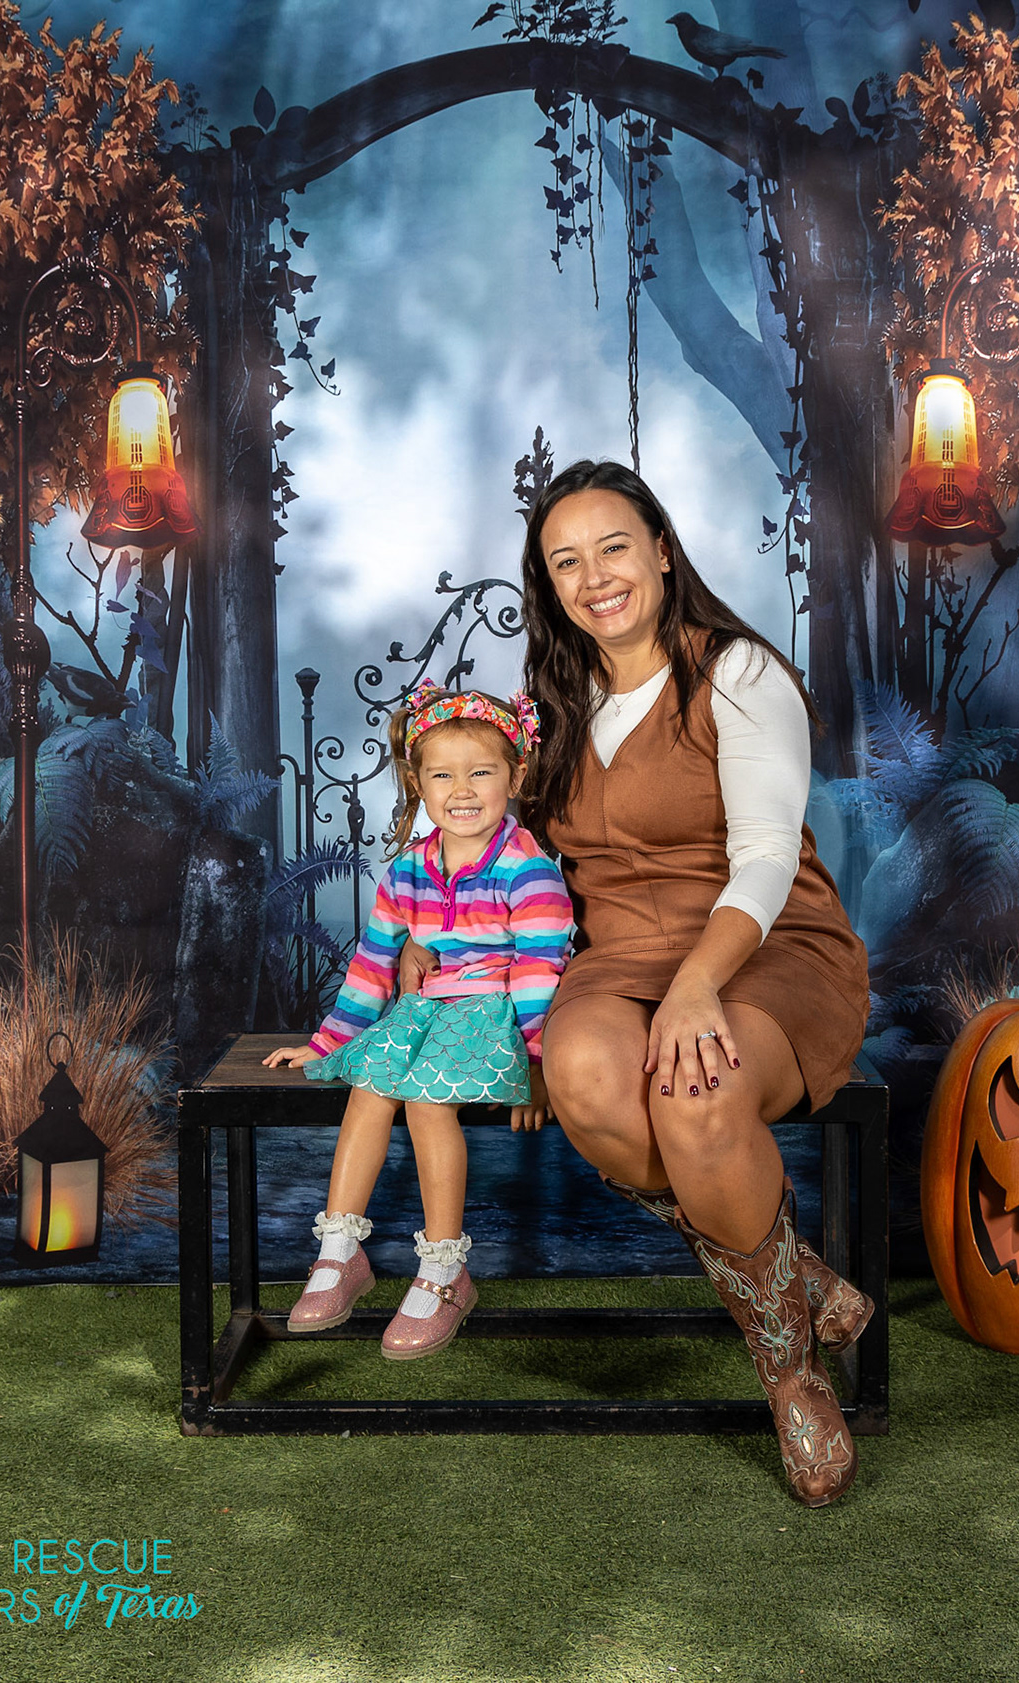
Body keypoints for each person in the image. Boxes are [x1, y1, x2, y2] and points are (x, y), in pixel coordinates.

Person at [404, 460, 872, 1504]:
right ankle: (792, 1276)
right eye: (566, 562)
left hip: (766, 948)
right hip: (615, 959)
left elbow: (764, 857)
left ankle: (790, 1373)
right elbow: (510, 863)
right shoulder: (550, 709)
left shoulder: (738, 674)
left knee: (695, 1092)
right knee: (583, 1074)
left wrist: (701, 985)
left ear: (661, 549)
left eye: (613, 547)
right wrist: (451, 958)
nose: (595, 578)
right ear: (549, 584)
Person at [261, 683, 573, 1360]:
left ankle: (444, 1266)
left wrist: (538, 1062)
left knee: (428, 1101)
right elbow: (374, 962)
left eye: (481, 772)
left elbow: (540, 973)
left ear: (516, 775)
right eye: (442, 775)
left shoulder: (528, 872)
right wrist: (328, 1041)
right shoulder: (408, 869)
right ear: (417, 782)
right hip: (425, 1009)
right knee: (371, 1086)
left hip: (494, 1015)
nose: (462, 791)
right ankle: (340, 1250)